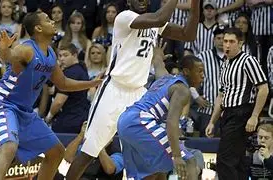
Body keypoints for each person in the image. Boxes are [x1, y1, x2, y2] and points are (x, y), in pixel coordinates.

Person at [66, 0, 200, 178]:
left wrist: (195, 4)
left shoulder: (155, 24)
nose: (143, 0)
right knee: (89, 152)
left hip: (139, 94)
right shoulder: (124, 17)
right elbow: (159, 18)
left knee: (148, 158)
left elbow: (187, 34)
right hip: (114, 90)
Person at [0, 11, 102, 180]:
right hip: (3, 104)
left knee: (56, 152)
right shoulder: (27, 49)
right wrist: (4, 50)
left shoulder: (51, 54)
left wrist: (92, 83)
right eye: (47, 19)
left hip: (24, 111)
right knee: (9, 146)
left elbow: (63, 83)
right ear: (38, 28)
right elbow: (9, 57)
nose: (52, 21)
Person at [117, 55, 204, 180]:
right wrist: (177, 156)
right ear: (186, 71)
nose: (202, 75)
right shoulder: (182, 90)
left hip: (124, 121)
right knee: (189, 160)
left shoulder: (165, 78)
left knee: (152, 173)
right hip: (139, 121)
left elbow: (158, 64)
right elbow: (171, 122)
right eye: (199, 71)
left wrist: (157, 52)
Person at [205, 27, 269, 180]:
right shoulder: (225, 63)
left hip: (242, 113)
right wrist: (212, 121)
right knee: (238, 160)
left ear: (240, 43)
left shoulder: (248, 60)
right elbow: (221, 95)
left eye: (232, 41)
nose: (227, 45)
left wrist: (254, 116)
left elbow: (263, 88)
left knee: (225, 160)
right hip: (227, 113)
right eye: (225, 41)